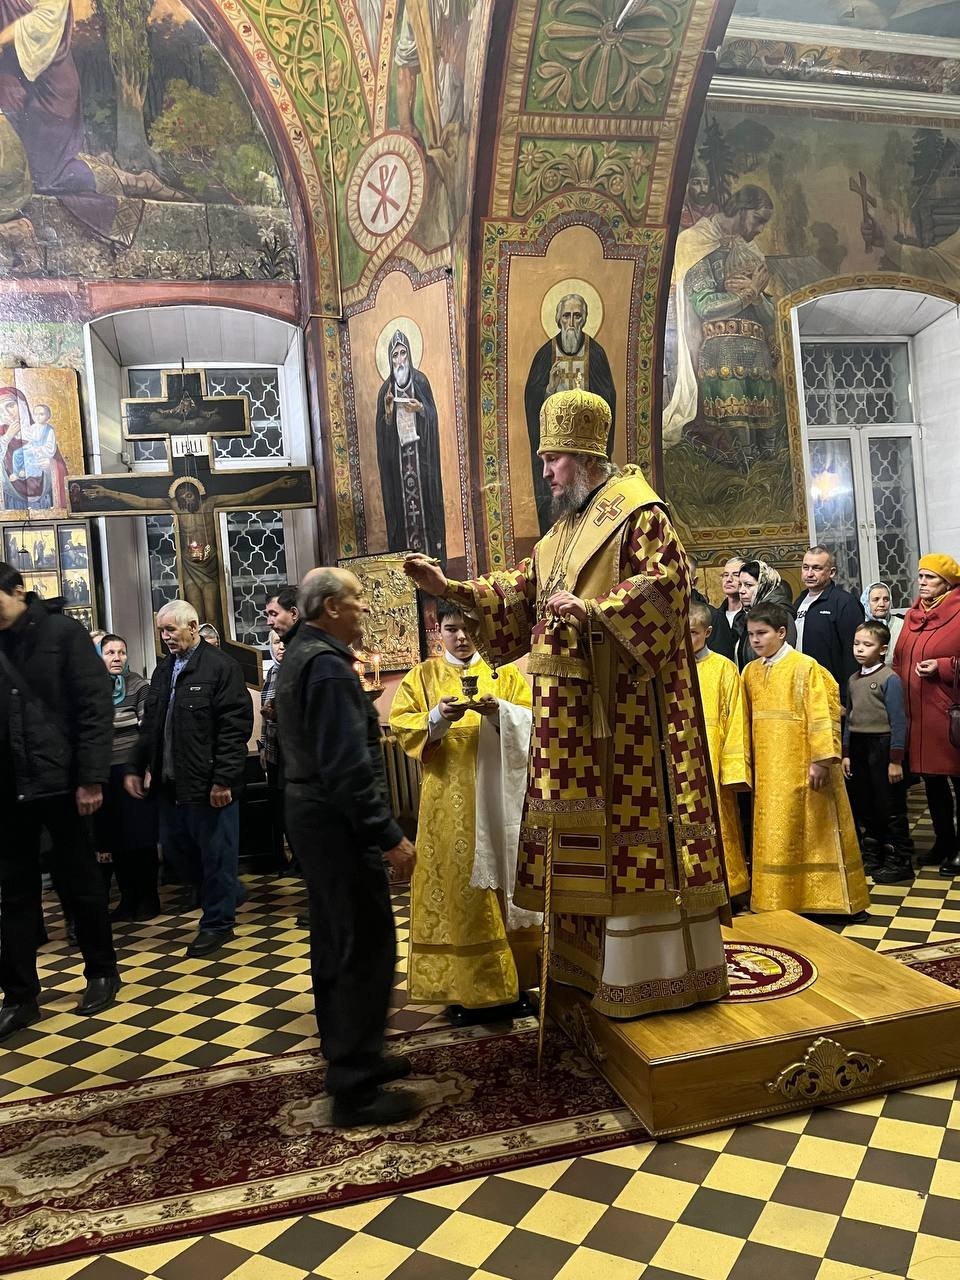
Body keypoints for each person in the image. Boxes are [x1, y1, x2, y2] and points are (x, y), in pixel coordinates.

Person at [405, 389, 730, 1020]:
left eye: (552, 459)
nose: (546, 472)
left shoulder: (638, 514)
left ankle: (653, 976)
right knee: (581, 843)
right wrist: (453, 588)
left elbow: (666, 589)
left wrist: (596, 611)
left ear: (583, 458)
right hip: (573, 726)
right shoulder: (561, 535)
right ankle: (587, 970)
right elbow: (519, 592)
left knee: (628, 843)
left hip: (631, 724)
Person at [276, 568, 420, 1127]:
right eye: (357, 599)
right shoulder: (328, 667)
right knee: (362, 945)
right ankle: (355, 1087)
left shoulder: (301, 654)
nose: (364, 607)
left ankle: (358, 1056)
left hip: (313, 815)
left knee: (339, 939)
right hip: (335, 822)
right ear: (331, 607)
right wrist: (389, 837)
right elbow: (347, 767)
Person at [390, 598, 539, 1024]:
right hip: (448, 806)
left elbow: (534, 722)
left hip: (500, 800)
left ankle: (516, 984)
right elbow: (403, 726)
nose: (461, 637)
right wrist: (438, 717)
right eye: (451, 628)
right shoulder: (423, 676)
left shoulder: (503, 673)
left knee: (507, 887)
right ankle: (464, 991)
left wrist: (499, 713)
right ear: (437, 629)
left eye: (468, 628)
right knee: (460, 891)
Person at [0, 563, 119, 1040]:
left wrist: (91, 778)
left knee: (79, 882)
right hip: (10, 787)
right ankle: (20, 997)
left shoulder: (62, 633)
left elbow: (94, 707)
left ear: (17, 591)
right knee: (14, 894)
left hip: (62, 781)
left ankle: (101, 972)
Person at [124, 599, 252, 958]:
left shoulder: (221, 667)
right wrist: (135, 766)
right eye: (161, 631)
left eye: (171, 629)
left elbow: (234, 728)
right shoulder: (163, 670)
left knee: (217, 855)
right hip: (170, 783)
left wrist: (223, 779)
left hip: (208, 783)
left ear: (193, 627)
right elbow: (150, 726)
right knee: (177, 851)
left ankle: (217, 924)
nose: (165, 636)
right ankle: (227, 893)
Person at [742, 603, 869, 918]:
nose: (755, 640)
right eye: (751, 634)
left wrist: (821, 760)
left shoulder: (805, 666)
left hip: (805, 765)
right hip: (769, 770)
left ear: (781, 632)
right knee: (777, 834)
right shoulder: (750, 671)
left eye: (762, 633)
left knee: (817, 830)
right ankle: (778, 900)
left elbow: (822, 712)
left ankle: (830, 902)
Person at [664, 186, 778, 462]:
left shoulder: (751, 251)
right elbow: (705, 307)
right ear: (742, 210)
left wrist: (756, 297)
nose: (761, 229)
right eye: (758, 220)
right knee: (739, 447)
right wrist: (749, 293)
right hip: (721, 356)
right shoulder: (695, 242)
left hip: (758, 359)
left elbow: (771, 316)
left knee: (768, 451)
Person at [525, 293, 616, 534]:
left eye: (577, 316)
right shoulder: (545, 355)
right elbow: (532, 402)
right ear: (558, 319)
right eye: (567, 316)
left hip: (585, 451)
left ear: (584, 319)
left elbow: (608, 401)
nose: (572, 323)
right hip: (556, 447)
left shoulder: (595, 354)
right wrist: (549, 389)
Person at [892, 554, 960, 877]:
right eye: (920, 576)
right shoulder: (912, 615)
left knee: (958, 782)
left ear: (947, 583)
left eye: (930, 577)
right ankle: (944, 841)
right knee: (933, 783)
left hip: (949, 715)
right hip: (917, 717)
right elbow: (899, 658)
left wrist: (943, 666)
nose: (922, 582)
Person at [842, 620, 913, 886]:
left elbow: (898, 721)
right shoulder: (852, 680)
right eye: (856, 644)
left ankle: (899, 859)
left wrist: (895, 760)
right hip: (859, 746)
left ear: (882, 649)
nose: (859, 649)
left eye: (867, 644)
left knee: (889, 803)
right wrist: (846, 753)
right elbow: (850, 719)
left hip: (882, 745)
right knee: (865, 802)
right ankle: (875, 853)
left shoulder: (889, 679)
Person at [688, 600, 750, 902]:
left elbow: (736, 719)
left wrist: (733, 769)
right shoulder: (669, 669)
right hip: (679, 758)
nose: (686, 640)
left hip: (713, 758)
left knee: (720, 820)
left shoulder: (724, 668)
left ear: (707, 632)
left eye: (693, 633)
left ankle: (729, 887)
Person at [96, 633, 160, 920]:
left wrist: (146, 767)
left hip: (131, 769)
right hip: (105, 772)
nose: (117, 658)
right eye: (110, 652)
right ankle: (127, 898)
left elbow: (147, 731)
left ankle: (148, 899)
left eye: (121, 652)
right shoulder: (93, 687)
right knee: (116, 839)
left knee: (140, 838)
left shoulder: (138, 685)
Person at [375, 329, 446, 559]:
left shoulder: (421, 381)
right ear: (390, 359)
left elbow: (432, 416)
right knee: (402, 516)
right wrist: (388, 413)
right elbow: (382, 435)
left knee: (427, 511)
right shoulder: (385, 390)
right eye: (395, 355)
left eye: (403, 353)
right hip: (399, 470)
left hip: (422, 464)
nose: (399, 360)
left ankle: (433, 563)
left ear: (410, 355)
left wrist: (421, 409)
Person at [793, 546, 863, 687]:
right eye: (805, 567)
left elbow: (853, 653)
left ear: (831, 572)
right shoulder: (799, 601)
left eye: (816, 568)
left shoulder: (844, 602)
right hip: (801, 683)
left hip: (831, 687)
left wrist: (847, 694)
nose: (809, 574)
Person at [733, 558, 796, 669]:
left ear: (764, 585)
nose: (741, 591)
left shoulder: (780, 614)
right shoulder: (749, 614)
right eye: (740, 585)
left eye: (748, 585)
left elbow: (783, 660)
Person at [258, 627, 286, 868]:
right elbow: (264, 718)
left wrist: (277, 714)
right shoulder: (271, 674)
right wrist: (263, 748)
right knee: (278, 806)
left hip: (291, 749)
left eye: (284, 641)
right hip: (274, 747)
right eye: (276, 642)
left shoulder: (293, 672)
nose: (281, 647)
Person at [707, 555, 745, 661]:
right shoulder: (713, 617)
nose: (728, 579)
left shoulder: (753, 616)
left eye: (736, 575)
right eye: (725, 575)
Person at [861, 580, 903, 660]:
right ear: (866, 602)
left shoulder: (901, 625)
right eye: (876, 599)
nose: (882, 604)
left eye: (886, 599)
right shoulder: (861, 628)